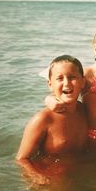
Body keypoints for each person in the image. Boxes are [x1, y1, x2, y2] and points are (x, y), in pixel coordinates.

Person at [16, 55, 88, 183]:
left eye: (72, 77)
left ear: (82, 82)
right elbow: (21, 159)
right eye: (59, 78)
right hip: (52, 178)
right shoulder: (43, 120)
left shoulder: (84, 110)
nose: (66, 83)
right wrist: (36, 177)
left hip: (81, 172)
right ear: (50, 84)